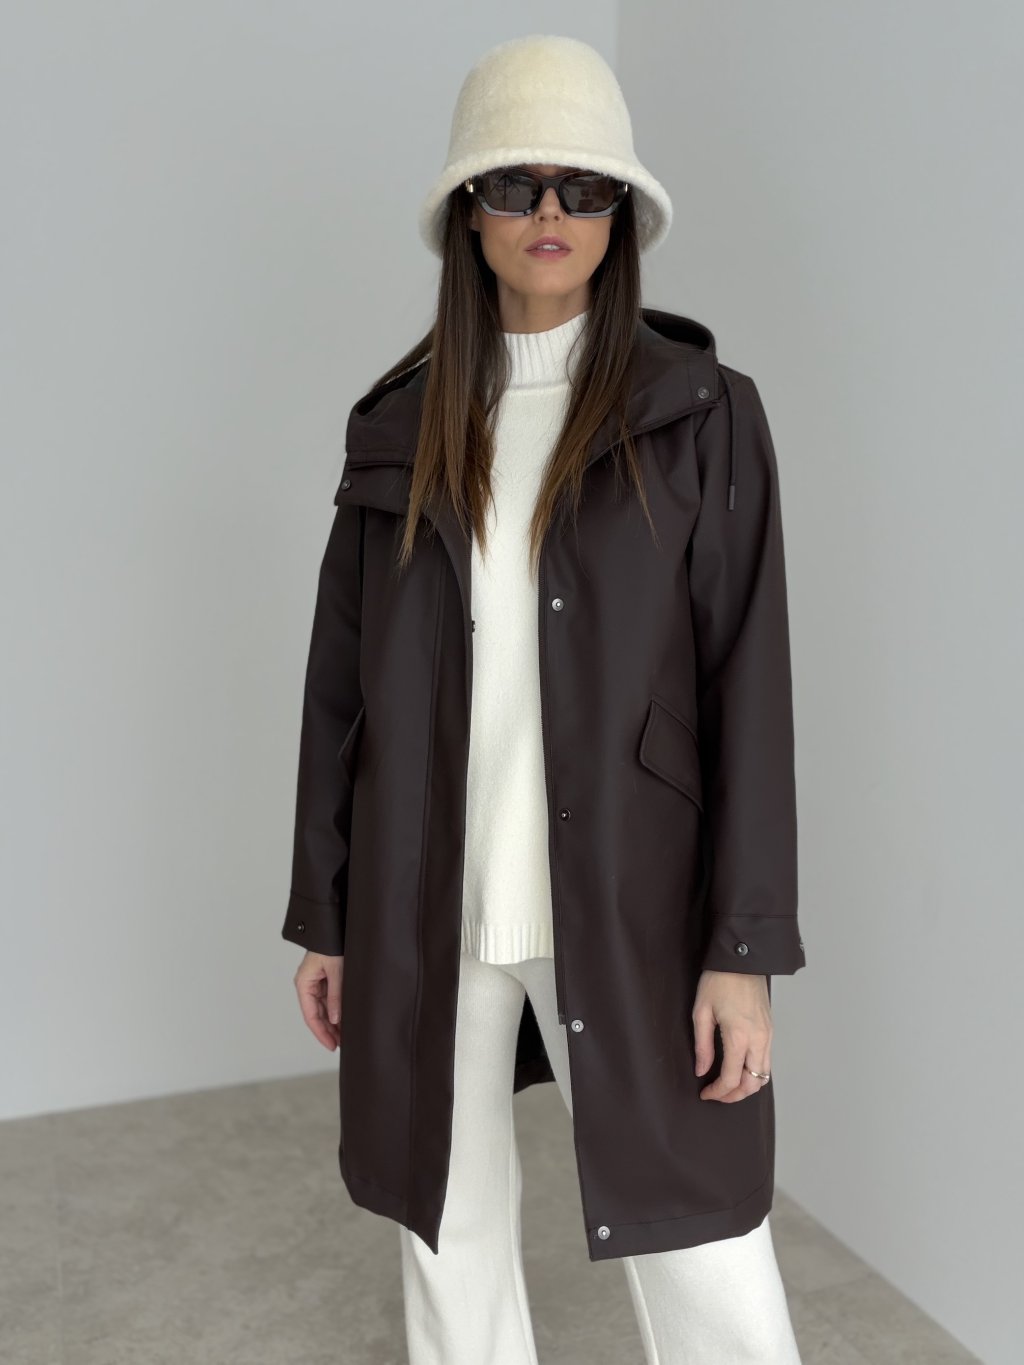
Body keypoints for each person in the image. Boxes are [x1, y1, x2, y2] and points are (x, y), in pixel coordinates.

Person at [283, 33, 805, 1365]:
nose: (552, 212)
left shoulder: (702, 415)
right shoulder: (397, 432)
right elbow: (340, 693)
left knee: (705, 1250)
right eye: (516, 185)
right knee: (444, 1239)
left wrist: (742, 950)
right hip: (425, 904)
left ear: (623, 213)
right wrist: (328, 915)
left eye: (586, 186)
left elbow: (749, 688)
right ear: (470, 212)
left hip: (630, 903)